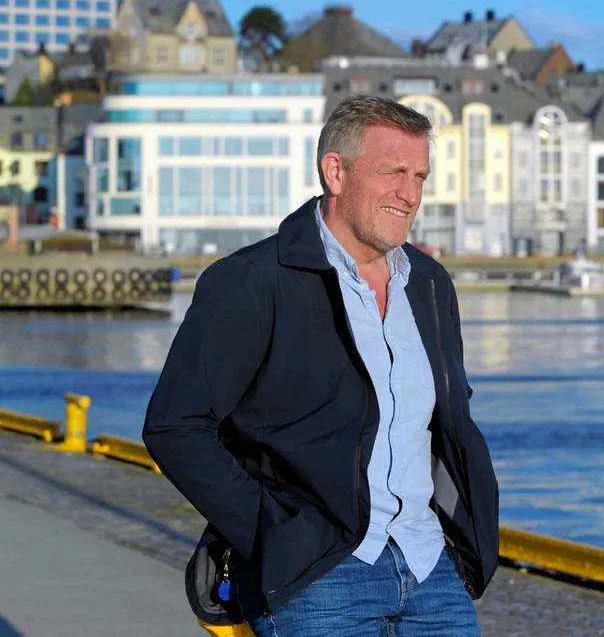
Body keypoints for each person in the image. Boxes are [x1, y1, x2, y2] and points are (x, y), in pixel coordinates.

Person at [143, 95, 499, 637]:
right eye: (393, 173)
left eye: (420, 177)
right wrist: (275, 534)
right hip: (319, 577)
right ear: (335, 172)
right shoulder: (253, 280)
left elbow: (449, 425)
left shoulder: (429, 284)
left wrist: (470, 536)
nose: (410, 194)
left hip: (430, 567)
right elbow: (176, 426)